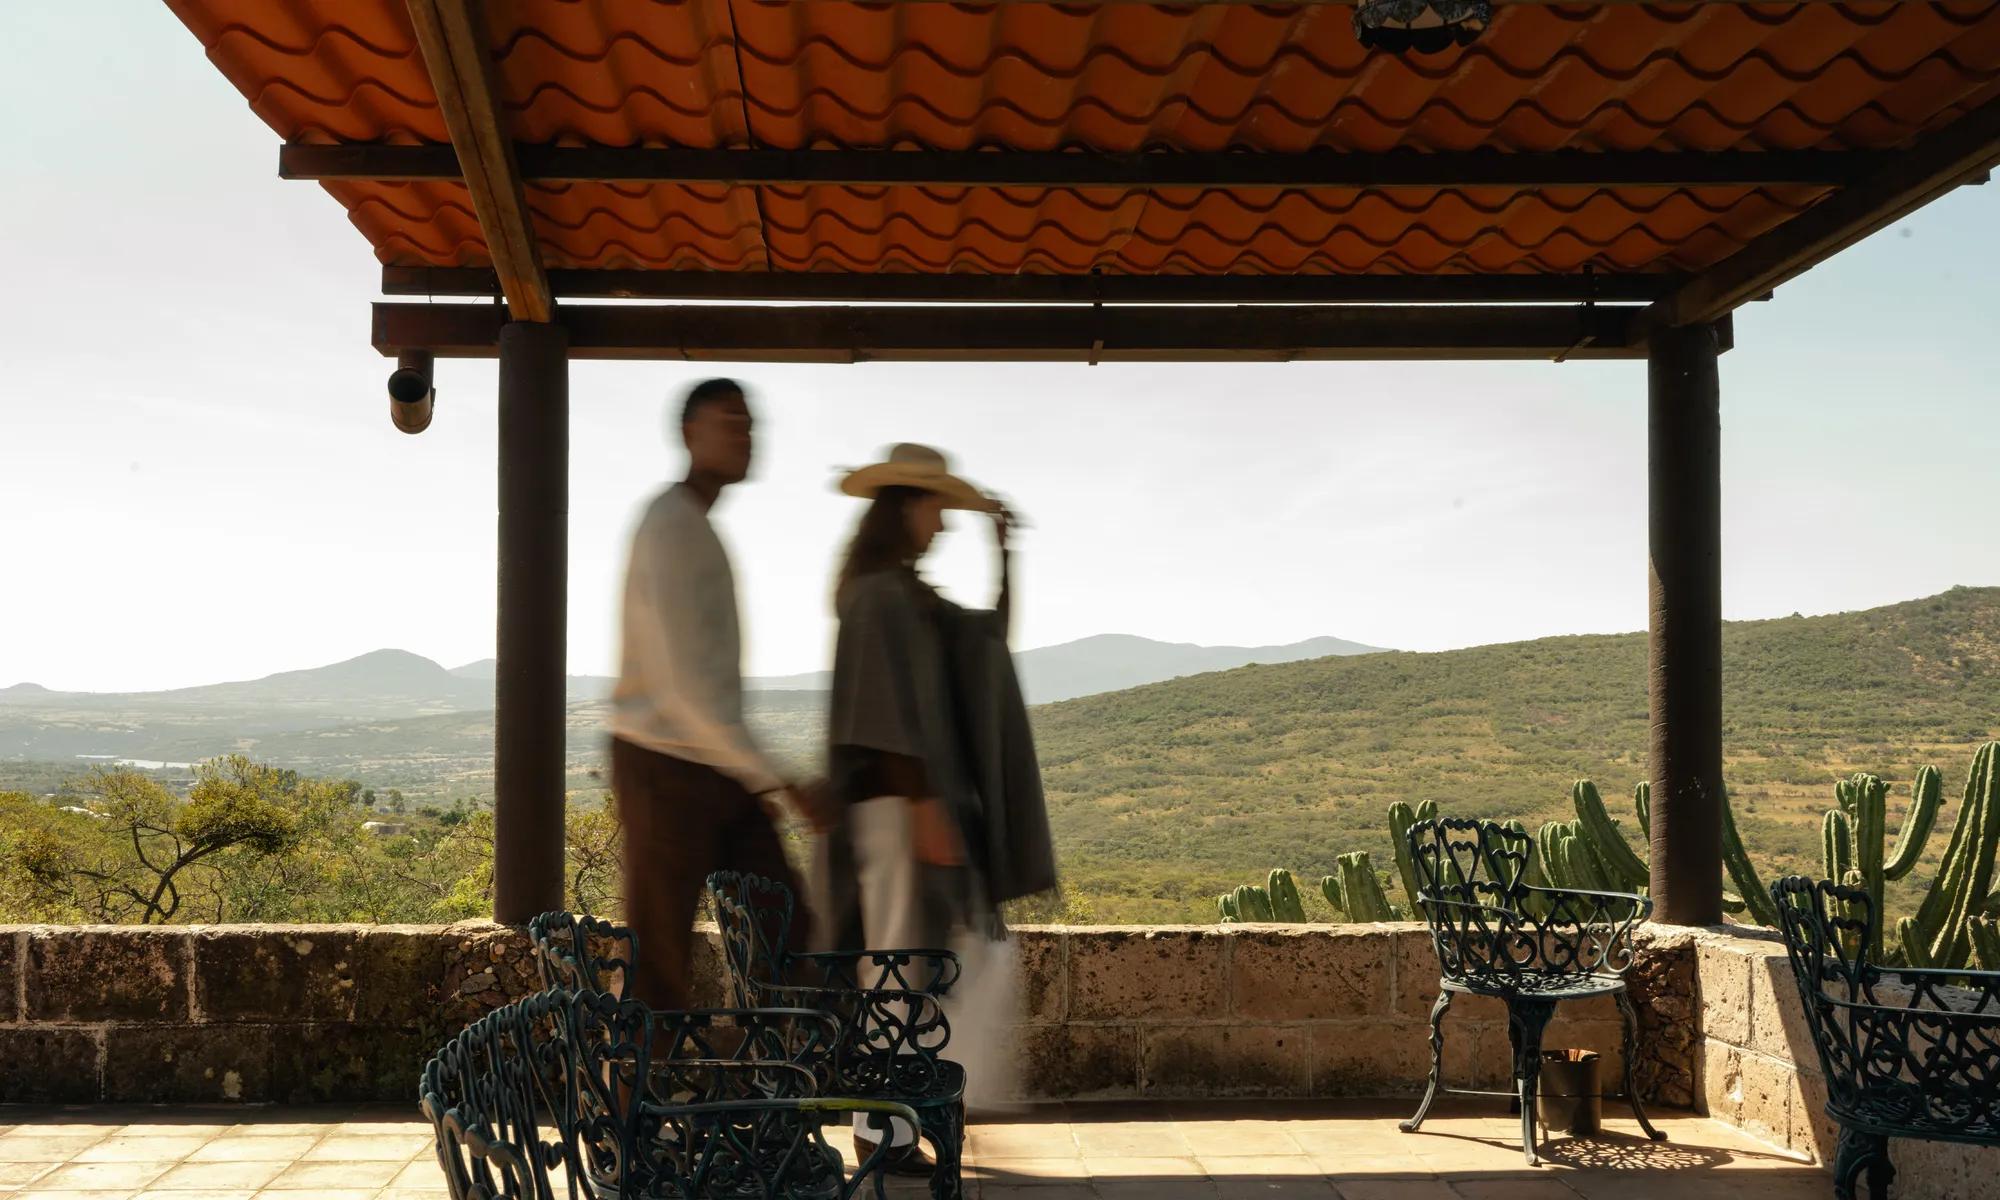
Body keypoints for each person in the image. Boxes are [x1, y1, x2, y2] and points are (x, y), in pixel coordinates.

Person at [814, 444, 1058, 1170]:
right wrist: (923, 804)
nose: (943, 524)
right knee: (894, 968)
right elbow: (879, 714)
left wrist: (1004, 556)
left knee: (915, 968)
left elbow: (985, 646)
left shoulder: (906, 596)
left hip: (909, 808)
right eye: (935, 508)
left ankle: (898, 1120)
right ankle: (877, 1133)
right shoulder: (877, 596)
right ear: (903, 508)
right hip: (893, 812)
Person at [607, 378, 826, 1010]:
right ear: (687, 434)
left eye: (750, 422)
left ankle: (786, 1091)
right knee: (660, 959)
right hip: (664, 763)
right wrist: (780, 779)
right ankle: (635, 1102)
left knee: (786, 929)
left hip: (709, 764)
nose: (746, 435)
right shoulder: (672, 526)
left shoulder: (694, 527)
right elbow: (682, 689)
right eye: (729, 421)